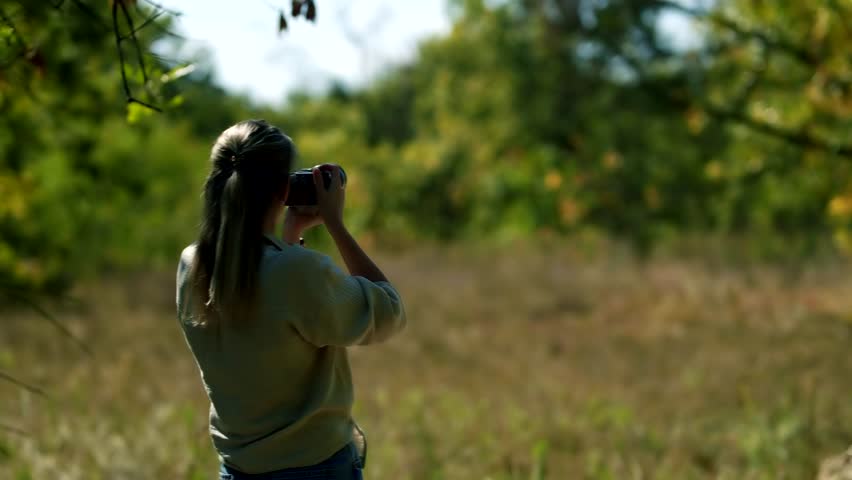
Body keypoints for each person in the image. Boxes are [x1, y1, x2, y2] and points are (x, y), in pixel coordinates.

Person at [175, 119, 407, 479]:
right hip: (315, 470)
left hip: (237, 470)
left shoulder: (193, 266)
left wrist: (292, 232)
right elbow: (389, 312)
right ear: (284, 190)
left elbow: (270, 303)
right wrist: (336, 225)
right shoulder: (295, 272)